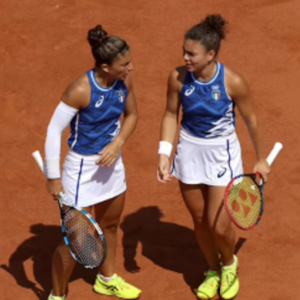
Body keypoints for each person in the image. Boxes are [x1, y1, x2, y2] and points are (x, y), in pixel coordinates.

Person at [157, 14, 270, 300]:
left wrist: (260, 159)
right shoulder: (178, 77)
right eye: (184, 51)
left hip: (222, 154)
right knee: (198, 219)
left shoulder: (232, 81)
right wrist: (164, 153)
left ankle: (229, 262)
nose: (185, 57)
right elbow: (171, 114)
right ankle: (212, 269)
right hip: (189, 151)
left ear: (210, 54)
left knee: (218, 224)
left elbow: (252, 120)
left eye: (191, 53)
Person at [44, 25, 141, 300]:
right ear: (106, 66)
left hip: (112, 165)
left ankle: (106, 279)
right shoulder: (80, 89)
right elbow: (54, 130)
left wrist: (118, 143)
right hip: (81, 170)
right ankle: (57, 295)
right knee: (77, 240)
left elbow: (132, 115)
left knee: (110, 225)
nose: (130, 68)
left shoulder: (124, 81)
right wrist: (53, 177)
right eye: (124, 64)